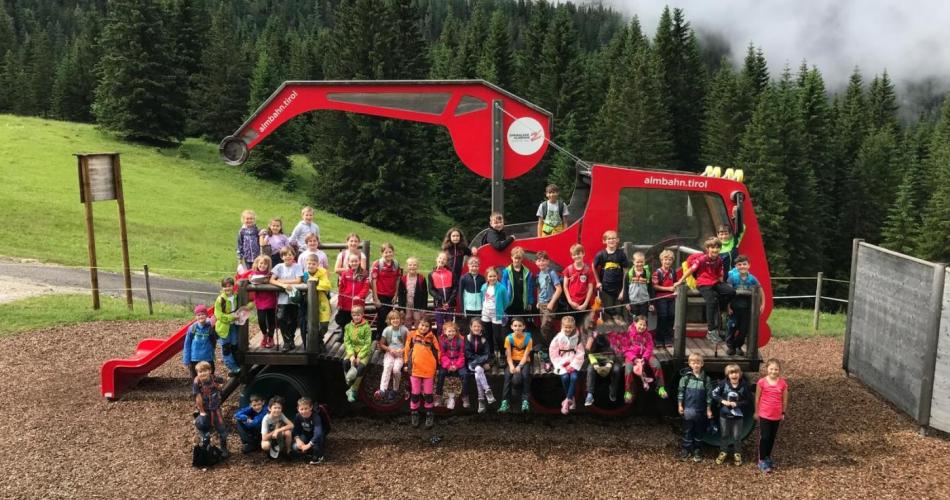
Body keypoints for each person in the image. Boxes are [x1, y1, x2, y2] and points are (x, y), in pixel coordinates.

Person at [676, 237, 735, 340]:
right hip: (703, 283)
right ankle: (711, 330)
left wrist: (722, 283)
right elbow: (690, 270)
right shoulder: (701, 259)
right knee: (711, 301)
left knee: (731, 292)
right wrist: (680, 281)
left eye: (717, 247)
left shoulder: (719, 260)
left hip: (714, 281)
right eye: (712, 247)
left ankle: (721, 307)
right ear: (708, 249)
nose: (715, 250)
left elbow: (719, 272)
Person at [404, 316, 441, 429]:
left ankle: (429, 414)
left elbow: (437, 351)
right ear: (417, 324)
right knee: (415, 394)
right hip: (415, 369)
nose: (423, 328)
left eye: (426, 326)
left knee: (428, 394)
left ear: (429, 328)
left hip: (429, 369)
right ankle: (414, 414)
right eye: (422, 325)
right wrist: (406, 364)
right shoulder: (412, 335)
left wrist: (438, 365)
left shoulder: (432, 337)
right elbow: (406, 349)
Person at [621, 315, 669, 402]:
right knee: (628, 370)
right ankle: (628, 391)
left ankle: (660, 388)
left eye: (644, 325)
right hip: (632, 356)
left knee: (657, 365)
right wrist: (634, 358)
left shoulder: (648, 335)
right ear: (635, 323)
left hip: (645, 355)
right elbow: (625, 349)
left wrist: (644, 358)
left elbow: (650, 347)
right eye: (640, 324)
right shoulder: (628, 334)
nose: (642, 327)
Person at [712, 364, 751, 466]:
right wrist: (723, 401)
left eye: (736, 372)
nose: (734, 375)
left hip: (738, 417)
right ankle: (723, 452)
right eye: (731, 373)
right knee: (724, 434)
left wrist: (737, 404)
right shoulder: (723, 384)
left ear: (740, 374)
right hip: (724, 415)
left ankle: (737, 454)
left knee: (737, 436)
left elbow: (748, 400)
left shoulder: (744, 386)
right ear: (728, 375)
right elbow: (714, 394)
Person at [678, 353, 714, 462]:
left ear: (702, 364)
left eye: (698, 362)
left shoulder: (706, 379)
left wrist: (708, 409)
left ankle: (697, 450)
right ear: (689, 364)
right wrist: (680, 405)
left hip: (700, 410)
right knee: (687, 430)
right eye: (693, 363)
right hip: (688, 409)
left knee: (699, 430)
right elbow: (680, 392)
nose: (696, 365)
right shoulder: (686, 378)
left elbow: (709, 396)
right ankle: (686, 449)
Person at [726, 255, 764, 356]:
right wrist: (728, 307)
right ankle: (731, 347)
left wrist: (762, 304)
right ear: (736, 266)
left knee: (743, 330)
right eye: (739, 264)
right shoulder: (732, 278)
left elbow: (760, 290)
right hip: (734, 309)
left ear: (749, 265)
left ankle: (738, 346)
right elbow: (728, 293)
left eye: (744, 264)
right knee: (732, 328)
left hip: (746, 309)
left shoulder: (752, 279)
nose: (742, 266)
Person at [755, 359, 789, 473]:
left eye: (776, 369)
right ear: (767, 369)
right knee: (764, 437)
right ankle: (761, 460)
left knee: (772, 438)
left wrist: (783, 412)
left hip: (776, 415)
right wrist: (756, 412)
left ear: (779, 370)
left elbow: (784, 400)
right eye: (771, 369)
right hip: (764, 414)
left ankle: (768, 457)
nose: (773, 371)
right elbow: (757, 398)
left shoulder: (783, 383)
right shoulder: (762, 382)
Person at [213, 277, 251, 375]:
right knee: (226, 347)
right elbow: (218, 315)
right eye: (225, 287)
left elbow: (247, 303)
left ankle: (237, 364)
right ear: (222, 288)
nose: (227, 288)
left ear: (233, 287)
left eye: (229, 286)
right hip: (224, 327)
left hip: (233, 325)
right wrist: (231, 317)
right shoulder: (220, 299)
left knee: (235, 344)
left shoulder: (235, 296)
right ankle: (232, 366)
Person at [548, 316, 584, 415]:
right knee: (564, 377)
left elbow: (580, 352)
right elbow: (553, 352)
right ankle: (571, 398)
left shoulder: (577, 338)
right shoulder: (558, 338)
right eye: (566, 327)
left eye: (570, 327)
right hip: (562, 361)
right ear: (562, 327)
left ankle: (566, 401)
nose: (568, 329)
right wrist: (561, 363)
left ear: (573, 327)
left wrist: (573, 365)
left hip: (573, 361)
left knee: (574, 377)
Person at [192, 361, 229, 458]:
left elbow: (224, 380)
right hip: (205, 410)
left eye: (205, 371)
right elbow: (198, 398)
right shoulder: (197, 382)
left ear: (210, 371)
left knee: (222, 430)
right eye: (200, 372)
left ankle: (223, 448)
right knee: (205, 431)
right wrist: (202, 411)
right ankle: (206, 449)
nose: (202, 373)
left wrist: (220, 387)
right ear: (197, 373)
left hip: (216, 409)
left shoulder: (214, 378)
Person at [270, 247, 303, 352]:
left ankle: (290, 340)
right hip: (282, 299)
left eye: (290, 254)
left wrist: (284, 280)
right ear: (281, 257)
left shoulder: (297, 266)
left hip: (293, 298)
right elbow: (272, 280)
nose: (288, 257)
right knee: (280, 317)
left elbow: (298, 280)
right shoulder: (279, 267)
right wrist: (283, 285)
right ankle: (287, 340)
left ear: (294, 256)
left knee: (293, 319)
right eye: (285, 255)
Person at [534, 251, 563, 369]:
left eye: (543, 260)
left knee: (544, 327)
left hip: (550, 303)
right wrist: (537, 301)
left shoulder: (552, 273)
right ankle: (553, 354)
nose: (541, 262)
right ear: (536, 262)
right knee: (547, 328)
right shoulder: (538, 275)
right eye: (539, 260)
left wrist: (551, 303)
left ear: (548, 261)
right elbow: (539, 289)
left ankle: (553, 350)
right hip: (541, 304)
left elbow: (559, 289)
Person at [584, 322, 624, 406]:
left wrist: (609, 363)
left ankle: (613, 389)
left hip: (611, 359)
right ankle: (590, 394)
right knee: (590, 369)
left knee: (616, 369)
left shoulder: (612, 336)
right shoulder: (592, 337)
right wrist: (592, 340)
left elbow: (616, 352)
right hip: (597, 359)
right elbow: (588, 353)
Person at [498, 317, 533, 414]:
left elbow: (526, 356)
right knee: (507, 376)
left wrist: (519, 366)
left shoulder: (528, 339)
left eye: (520, 326)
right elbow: (508, 355)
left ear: (524, 327)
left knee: (526, 376)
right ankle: (505, 401)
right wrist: (511, 366)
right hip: (512, 360)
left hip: (524, 361)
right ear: (511, 327)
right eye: (515, 326)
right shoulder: (509, 338)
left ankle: (525, 401)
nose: (517, 328)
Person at [593, 230, 629, 322]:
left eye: (613, 238)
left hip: (619, 289)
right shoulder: (601, 254)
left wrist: (623, 290)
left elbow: (626, 272)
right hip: (606, 289)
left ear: (617, 240)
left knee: (619, 311)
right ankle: (609, 334)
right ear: (604, 241)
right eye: (609, 239)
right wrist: (598, 282)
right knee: (607, 310)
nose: (611, 240)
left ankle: (620, 333)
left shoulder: (621, 254)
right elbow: (593, 266)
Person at [370, 243, 402, 338]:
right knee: (382, 317)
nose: (388, 254)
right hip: (380, 294)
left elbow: (398, 280)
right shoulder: (377, 264)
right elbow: (373, 281)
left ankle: (387, 337)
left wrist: (396, 295)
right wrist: (375, 298)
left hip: (391, 295)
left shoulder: (396, 264)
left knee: (389, 317)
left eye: (390, 252)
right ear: (382, 253)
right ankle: (379, 337)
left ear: (393, 252)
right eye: (386, 252)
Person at [435, 321, 469, 410]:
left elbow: (462, 355)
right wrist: (448, 365)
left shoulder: (460, 340)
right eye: (449, 331)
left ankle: (465, 396)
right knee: (441, 374)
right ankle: (438, 395)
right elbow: (442, 355)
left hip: (458, 362)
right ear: (445, 332)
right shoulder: (442, 340)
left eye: (453, 331)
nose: (451, 333)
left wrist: (456, 366)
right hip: (447, 363)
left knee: (464, 375)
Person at [376, 310, 408, 401]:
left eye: (397, 318)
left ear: (400, 320)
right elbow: (382, 344)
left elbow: (408, 344)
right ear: (389, 320)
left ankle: (395, 389)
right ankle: (382, 389)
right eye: (393, 319)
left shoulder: (404, 330)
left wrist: (401, 350)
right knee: (387, 366)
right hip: (390, 352)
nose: (395, 320)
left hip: (400, 353)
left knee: (396, 370)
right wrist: (389, 349)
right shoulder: (387, 330)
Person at [342, 306, 372, 403]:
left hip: (364, 351)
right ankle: (349, 381)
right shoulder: (348, 327)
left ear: (362, 315)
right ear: (352, 315)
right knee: (345, 362)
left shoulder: (366, 327)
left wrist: (359, 356)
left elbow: (367, 343)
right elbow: (347, 341)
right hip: (352, 350)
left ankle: (353, 390)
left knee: (361, 367)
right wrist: (351, 355)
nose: (356, 317)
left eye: (358, 315)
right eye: (354, 315)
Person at [301, 254, 331, 351]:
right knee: (309, 324)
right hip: (308, 303)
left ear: (317, 264)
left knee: (324, 324)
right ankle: (314, 343)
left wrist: (313, 284)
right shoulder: (304, 275)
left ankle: (319, 339)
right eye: (309, 263)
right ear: (306, 264)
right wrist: (316, 285)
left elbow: (327, 285)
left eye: (313, 264)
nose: (311, 266)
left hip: (322, 302)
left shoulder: (322, 273)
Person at [501, 247, 535, 331]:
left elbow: (530, 288)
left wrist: (530, 302)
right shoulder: (506, 271)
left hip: (522, 304)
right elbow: (503, 288)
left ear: (522, 259)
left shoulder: (527, 272)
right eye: (515, 258)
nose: (517, 260)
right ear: (511, 257)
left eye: (519, 258)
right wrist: (503, 302)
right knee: (509, 326)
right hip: (509, 304)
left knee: (521, 326)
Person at [651, 250, 680, 347]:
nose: (667, 262)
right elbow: (655, 286)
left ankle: (668, 338)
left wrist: (676, 288)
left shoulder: (673, 272)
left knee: (671, 316)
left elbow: (675, 283)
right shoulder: (657, 272)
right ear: (661, 260)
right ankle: (659, 338)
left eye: (670, 260)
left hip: (671, 297)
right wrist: (668, 288)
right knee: (662, 317)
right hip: (661, 297)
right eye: (665, 259)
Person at [466, 318, 495, 413]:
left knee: (478, 371)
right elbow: (467, 354)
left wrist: (480, 362)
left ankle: (481, 399)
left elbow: (487, 354)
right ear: (470, 327)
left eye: (478, 326)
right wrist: (478, 360)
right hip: (471, 363)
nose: (476, 328)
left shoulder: (484, 339)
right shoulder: (468, 338)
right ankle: (487, 390)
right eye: (474, 326)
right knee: (478, 369)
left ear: (481, 327)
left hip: (479, 364)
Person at [563, 243, 595, 330]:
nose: (577, 256)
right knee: (571, 327)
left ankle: (583, 343)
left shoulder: (588, 270)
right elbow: (565, 287)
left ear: (583, 253)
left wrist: (585, 304)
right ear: (571, 256)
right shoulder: (568, 269)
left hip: (584, 303)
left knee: (584, 327)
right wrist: (570, 301)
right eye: (574, 254)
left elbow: (590, 288)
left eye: (578, 254)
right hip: (571, 304)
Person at [336, 253, 369, 331]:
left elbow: (366, 287)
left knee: (357, 320)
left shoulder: (364, 273)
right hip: (346, 303)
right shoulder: (345, 273)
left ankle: (357, 337)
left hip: (358, 303)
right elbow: (341, 289)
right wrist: (340, 302)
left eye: (356, 261)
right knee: (345, 320)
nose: (354, 263)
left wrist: (360, 296)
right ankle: (344, 335)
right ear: (348, 262)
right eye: (352, 261)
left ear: (359, 261)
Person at [249, 255, 278, 349]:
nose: (263, 265)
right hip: (260, 300)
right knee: (261, 320)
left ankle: (270, 337)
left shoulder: (270, 274)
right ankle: (264, 334)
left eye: (265, 264)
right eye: (261, 263)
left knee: (271, 320)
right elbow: (247, 279)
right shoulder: (253, 274)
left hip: (270, 299)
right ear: (257, 264)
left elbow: (274, 281)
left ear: (268, 265)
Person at [480, 267, 509, 356]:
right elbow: (482, 298)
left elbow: (506, 301)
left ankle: (502, 354)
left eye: (494, 276)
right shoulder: (484, 287)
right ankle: (491, 353)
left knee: (498, 336)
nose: (492, 278)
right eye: (490, 276)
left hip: (496, 314)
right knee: (488, 335)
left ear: (497, 276)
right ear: (487, 277)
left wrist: (500, 309)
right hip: (485, 314)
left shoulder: (502, 288)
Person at [183, 304, 215, 378]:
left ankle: (209, 389)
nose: (201, 316)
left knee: (210, 376)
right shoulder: (192, 328)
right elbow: (187, 344)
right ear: (196, 317)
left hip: (207, 357)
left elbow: (214, 339)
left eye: (203, 314)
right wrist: (186, 360)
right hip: (195, 359)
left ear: (206, 315)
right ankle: (197, 389)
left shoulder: (210, 327)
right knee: (196, 378)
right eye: (198, 315)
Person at [428, 251, 456, 333]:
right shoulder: (431, 274)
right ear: (436, 259)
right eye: (440, 258)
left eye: (444, 259)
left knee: (449, 328)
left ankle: (449, 345)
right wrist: (441, 300)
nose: (442, 260)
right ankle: (440, 345)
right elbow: (431, 290)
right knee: (440, 327)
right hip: (439, 305)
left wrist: (449, 301)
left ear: (446, 261)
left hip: (450, 305)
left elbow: (455, 288)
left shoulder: (451, 273)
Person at [396, 257, 428, 329]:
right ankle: (408, 336)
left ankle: (417, 335)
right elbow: (400, 294)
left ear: (417, 266)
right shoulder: (403, 279)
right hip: (407, 303)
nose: (412, 267)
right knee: (407, 318)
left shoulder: (421, 278)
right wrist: (401, 307)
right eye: (410, 265)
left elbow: (425, 294)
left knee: (417, 319)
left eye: (414, 265)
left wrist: (424, 308)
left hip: (418, 304)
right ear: (407, 266)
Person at [292, 397, 326, 464]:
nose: (304, 411)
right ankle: (306, 453)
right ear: (298, 409)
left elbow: (318, 433)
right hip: (306, 434)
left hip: (316, 436)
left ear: (311, 408)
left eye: (306, 408)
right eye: (301, 409)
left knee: (316, 447)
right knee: (295, 447)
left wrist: (308, 445)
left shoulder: (315, 417)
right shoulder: (298, 416)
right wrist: (297, 439)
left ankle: (318, 456)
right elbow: (295, 430)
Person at [459, 255, 486, 329]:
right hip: (468, 308)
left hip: (479, 308)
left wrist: (484, 307)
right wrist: (462, 309)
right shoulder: (464, 278)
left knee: (479, 326)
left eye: (476, 266)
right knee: (470, 326)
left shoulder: (482, 278)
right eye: (472, 266)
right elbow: (460, 294)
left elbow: (484, 294)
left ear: (479, 266)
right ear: (468, 266)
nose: (474, 268)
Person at [442, 227, 472, 292]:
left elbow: (471, 253)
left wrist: (474, 249)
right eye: (453, 236)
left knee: (456, 292)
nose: (455, 237)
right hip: (447, 275)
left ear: (460, 237)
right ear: (449, 237)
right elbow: (440, 260)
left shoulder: (463, 248)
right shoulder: (446, 248)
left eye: (457, 236)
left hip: (458, 275)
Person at [624, 251, 651, 319]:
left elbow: (651, 289)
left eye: (642, 262)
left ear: (644, 262)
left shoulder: (647, 274)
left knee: (644, 320)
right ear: (633, 261)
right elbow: (626, 289)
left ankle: (644, 330)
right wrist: (626, 302)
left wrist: (652, 303)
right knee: (633, 320)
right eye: (637, 262)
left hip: (644, 302)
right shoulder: (629, 274)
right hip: (633, 303)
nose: (640, 264)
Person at [718, 206, 745, 271]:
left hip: (732, 277)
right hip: (719, 278)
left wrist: (735, 216)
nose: (723, 237)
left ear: (730, 235)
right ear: (717, 235)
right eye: (721, 234)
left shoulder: (734, 242)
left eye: (726, 234)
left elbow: (742, 228)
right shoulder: (715, 246)